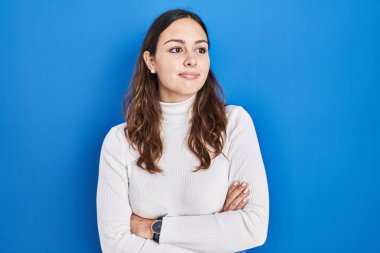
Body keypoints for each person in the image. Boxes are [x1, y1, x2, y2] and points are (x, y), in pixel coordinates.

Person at [96, 9, 269, 253]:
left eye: (200, 49)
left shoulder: (233, 124)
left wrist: (154, 229)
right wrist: (214, 232)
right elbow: (115, 246)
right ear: (151, 61)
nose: (192, 59)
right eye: (176, 49)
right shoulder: (119, 142)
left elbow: (253, 228)